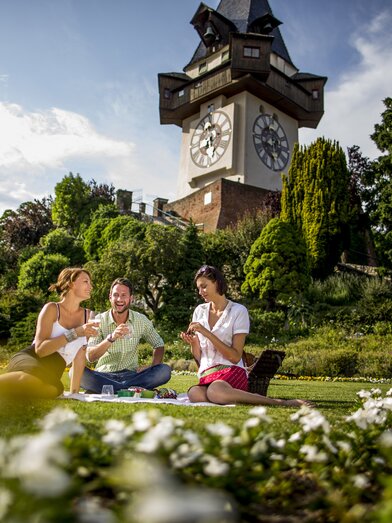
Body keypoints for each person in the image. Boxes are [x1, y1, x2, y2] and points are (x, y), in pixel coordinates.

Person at [180, 265, 313, 407]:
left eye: (204, 287)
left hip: (230, 370)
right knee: (194, 394)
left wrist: (206, 333)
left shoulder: (238, 311)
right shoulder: (199, 311)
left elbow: (235, 356)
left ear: (217, 283)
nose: (200, 292)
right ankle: (228, 396)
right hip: (208, 373)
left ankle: (279, 402)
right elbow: (200, 359)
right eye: (198, 288)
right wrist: (194, 343)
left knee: (215, 391)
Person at [0, 267, 98, 399]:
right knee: (29, 379)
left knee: (52, 391)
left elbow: (80, 357)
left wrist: (75, 394)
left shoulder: (88, 316)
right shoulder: (51, 309)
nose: (91, 286)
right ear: (70, 284)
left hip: (54, 369)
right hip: (32, 358)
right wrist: (74, 333)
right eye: (86, 281)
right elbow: (40, 350)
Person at [79, 277, 171, 393]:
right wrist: (111, 338)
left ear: (130, 298)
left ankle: (111, 389)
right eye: (116, 295)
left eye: (124, 295)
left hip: (132, 375)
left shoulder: (140, 320)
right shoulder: (99, 320)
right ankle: (129, 389)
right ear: (110, 297)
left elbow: (159, 344)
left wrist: (152, 366)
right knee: (77, 372)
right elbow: (90, 356)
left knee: (164, 370)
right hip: (104, 375)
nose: (119, 299)